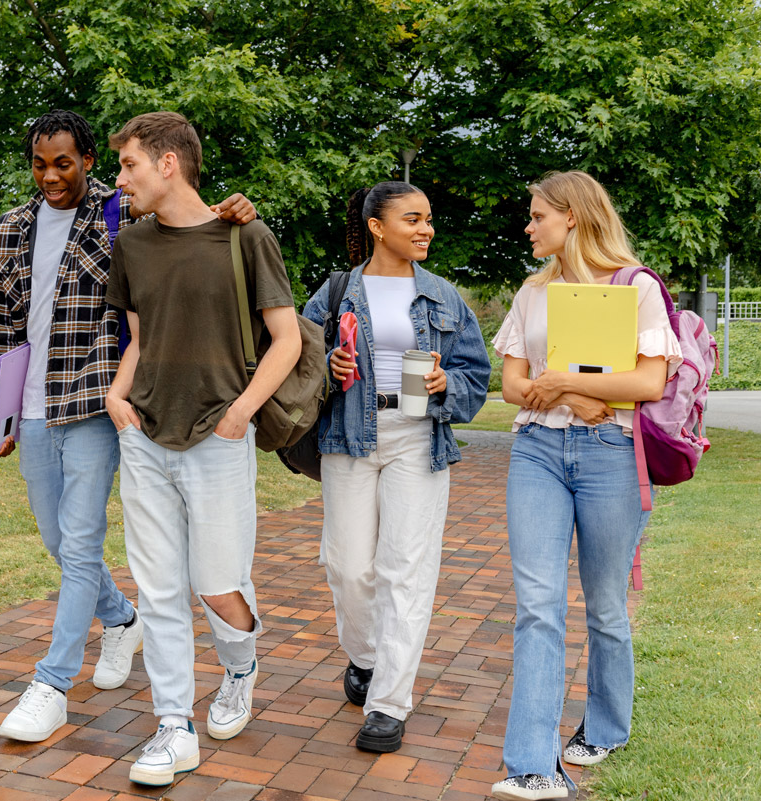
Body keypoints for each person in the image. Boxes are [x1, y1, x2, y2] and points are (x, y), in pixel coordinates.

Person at [0, 110, 256, 743]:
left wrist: (234, 209)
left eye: (65, 163)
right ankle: (120, 616)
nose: (51, 176)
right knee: (57, 540)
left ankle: (51, 684)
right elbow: (2, 328)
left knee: (79, 543)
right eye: (39, 164)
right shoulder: (9, 230)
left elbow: (186, 218)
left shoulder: (119, 213)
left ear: (86, 160)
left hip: (92, 400)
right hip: (29, 403)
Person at [104, 111, 301, 786]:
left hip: (219, 432)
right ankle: (172, 726)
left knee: (216, 585)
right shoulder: (129, 244)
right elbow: (141, 335)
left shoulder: (245, 236)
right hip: (145, 432)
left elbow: (288, 338)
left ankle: (241, 666)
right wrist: (117, 399)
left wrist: (242, 411)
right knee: (158, 589)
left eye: (129, 164)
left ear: (167, 164)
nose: (119, 177)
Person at [489, 171, 682, 800]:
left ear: (571, 216)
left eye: (537, 215)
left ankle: (605, 727)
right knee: (538, 607)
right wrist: (565, 392)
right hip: (538, 449)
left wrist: (569, 387)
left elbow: (649, 383)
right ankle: (533, 765)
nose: (529, 225)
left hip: (611, 456)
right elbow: (513, 385)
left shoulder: (637, 288)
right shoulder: (532, 291)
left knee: (604, 607)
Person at [302, 182, 490, 753]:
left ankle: (388, 704)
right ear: (378, 226)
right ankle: (365, 658)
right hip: (348, 435)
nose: (426, 229)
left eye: (429, 218)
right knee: (348, 566)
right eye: (413, 219)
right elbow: (295, 361)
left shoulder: (444, 296)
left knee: (405, 569)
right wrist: (326, 366)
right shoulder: (335, 294)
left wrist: (444, 385)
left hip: (418, 437)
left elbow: (475, 377)